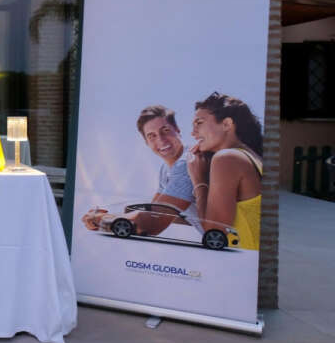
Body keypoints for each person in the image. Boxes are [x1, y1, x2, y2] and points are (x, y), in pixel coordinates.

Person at [82, 105, 201, 236]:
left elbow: (152, 222)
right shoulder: (166, 169)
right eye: (152, 136)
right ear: (146, 143)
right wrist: (112, 214)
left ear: (177, 130)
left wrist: (101, 219)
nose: (161, 140)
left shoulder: (185, 164)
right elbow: (155, 210)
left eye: (166, 130)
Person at [187, 92, 262, 250]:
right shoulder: (252, 159)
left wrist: (198, 180)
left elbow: (214, 232)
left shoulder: (227, 158)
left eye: (199, 123)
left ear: (227, 124)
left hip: (242, 261)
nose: (193, 133)